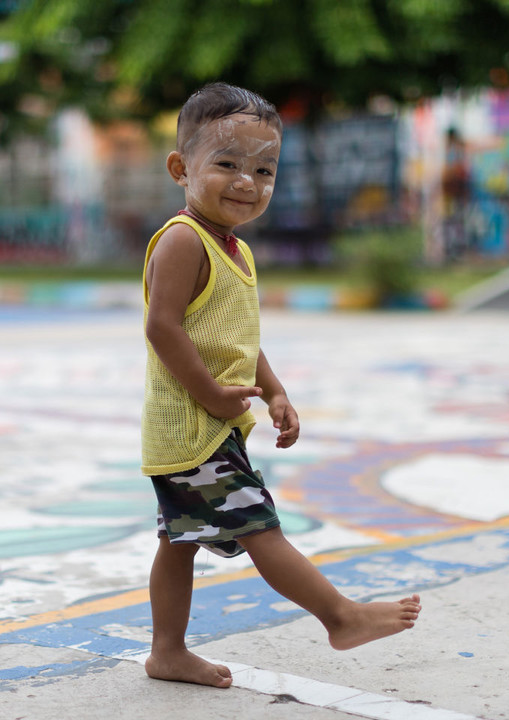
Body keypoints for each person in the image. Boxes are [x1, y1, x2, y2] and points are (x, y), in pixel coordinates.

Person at [141, 82, 422, 690]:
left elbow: (236, 335)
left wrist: (274, 391)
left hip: (210, 427)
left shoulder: (233, 249)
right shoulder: (184, 239)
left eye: (264, 169)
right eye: (227, 163)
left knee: (180, 541)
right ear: (180, 167)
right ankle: (340, 616)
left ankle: (167, 651)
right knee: (258, 526)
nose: (248, 181)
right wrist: (214, 396)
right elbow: (162, 328)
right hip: (194, 430)